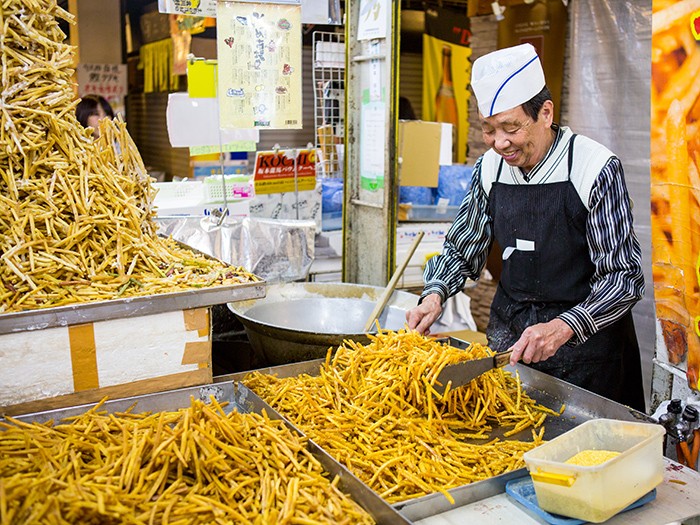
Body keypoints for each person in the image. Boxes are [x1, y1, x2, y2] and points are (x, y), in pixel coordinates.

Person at [405, 43, 646, 411]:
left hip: (590, 361)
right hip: (512, 348)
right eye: (488, 130)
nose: (500, 142)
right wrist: (435, 294)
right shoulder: (489, 167)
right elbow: (461, 248)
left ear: (545, 113)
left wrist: (565, 326)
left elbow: (623, 278)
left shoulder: (593, 167)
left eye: (510, 127)